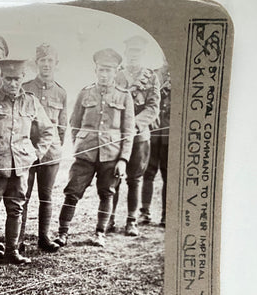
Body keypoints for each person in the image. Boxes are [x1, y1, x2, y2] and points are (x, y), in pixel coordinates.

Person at [0, 58, 55, 270]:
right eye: (8, 79)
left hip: (21, 166)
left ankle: (12, 252)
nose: (12, 83)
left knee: (16, 208)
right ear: (2, 77)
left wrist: (36, 154)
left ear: (22, 78)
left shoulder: (31, 101)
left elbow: (48, 130)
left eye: (17, 79)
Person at [54, 49, 134, 248]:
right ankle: (62, 233)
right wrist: (80, 144)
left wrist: (123, 160)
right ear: (95, 70)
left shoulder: (124, 96)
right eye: (100, 70)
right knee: (72, 192)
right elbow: (75, 122)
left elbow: (128, 131)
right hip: (85, 154)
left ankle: (100, 233)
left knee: (107, 193)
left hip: (111, 156)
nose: (104, 74)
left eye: (108, 70)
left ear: (116, 72)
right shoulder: (85, 92)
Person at [19, 43, 67, 253]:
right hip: (27, 152)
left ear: (56, 64)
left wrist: (53, 148)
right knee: (23, 195)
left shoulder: (61, 92)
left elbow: (62, 127)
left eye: (50, 61)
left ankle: (44, 237)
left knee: (46, 196)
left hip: (50, 154)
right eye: (42, 61)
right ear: (36, 63)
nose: (46, 65)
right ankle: (17, 239)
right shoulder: (25, 88)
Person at [111, 35, 160, 237]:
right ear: (125, 53)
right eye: (130, 51)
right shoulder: (117, 76)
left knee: (135, 179)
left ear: (143, 54)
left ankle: (131, 221)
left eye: (137, 51)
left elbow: (152, 108)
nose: (133, 55)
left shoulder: (151, 78)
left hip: (139, 136)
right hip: (117, 135)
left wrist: (134, 125)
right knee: (113, 178)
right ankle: (109, 218)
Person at [141, 61, 170, 227]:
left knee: (168, 174)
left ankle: (166, 214)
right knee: (148, 172)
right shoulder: (151, 75)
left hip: (170, 133)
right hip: (153, 132)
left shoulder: (185, 74)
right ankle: (144, 212)